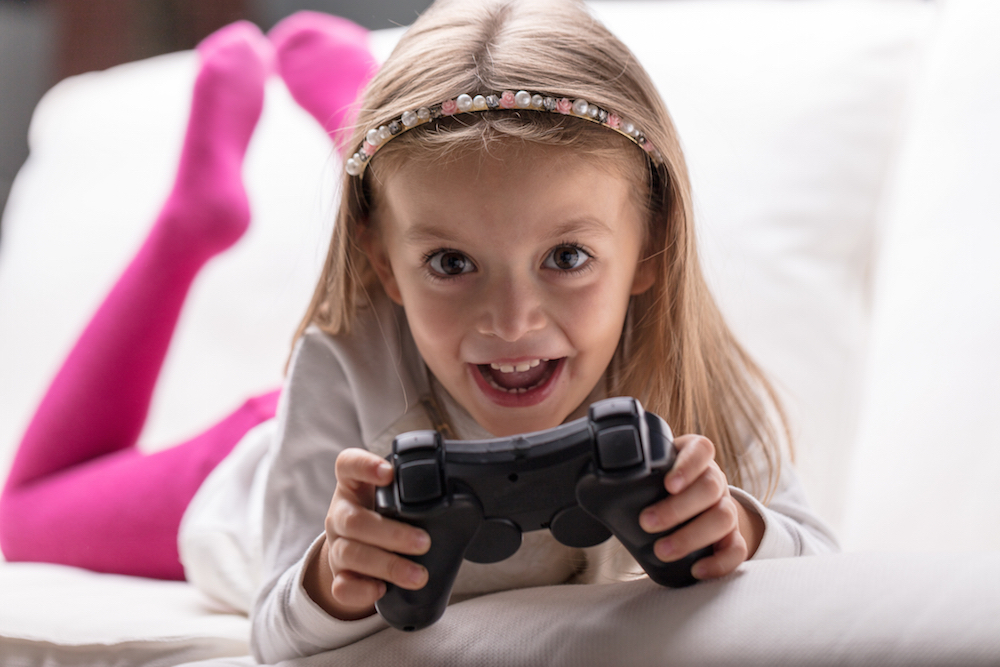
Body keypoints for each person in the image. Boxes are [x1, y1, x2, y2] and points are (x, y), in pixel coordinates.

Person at [0, 0, 838, 662]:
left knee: (459, 199)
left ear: (650, 246)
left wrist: (742, 526)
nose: (513, 323)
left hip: (418, 359)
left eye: (568, 255)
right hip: (268, 459)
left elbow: (818, 556)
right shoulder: (337, 362)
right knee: (19, 516)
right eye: (452, 264)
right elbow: (276, 631)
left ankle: (375, 148)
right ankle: (193, 221)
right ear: (379, 262)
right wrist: (332, 577)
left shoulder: (681, 362)